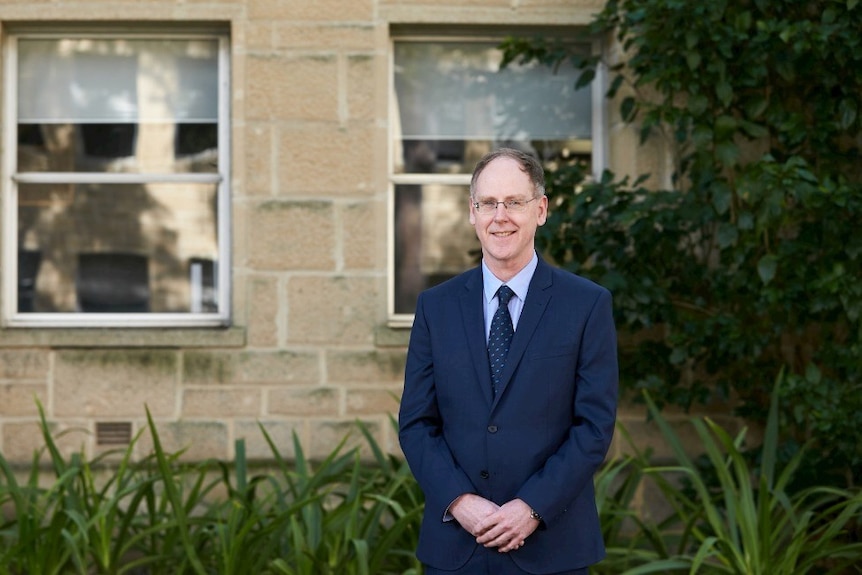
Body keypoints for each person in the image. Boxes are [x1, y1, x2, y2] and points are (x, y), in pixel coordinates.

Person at [398, 148, 618, 575]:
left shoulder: (586, 305)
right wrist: (460, 502)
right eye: (488, 203)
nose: (500, 216)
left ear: (541, 209)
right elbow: (416, 424)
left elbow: (593, 427)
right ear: (472, 212)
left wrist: (532, 507)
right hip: (456, 549)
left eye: (514, 202)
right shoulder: (435, 308)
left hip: (553, 549)